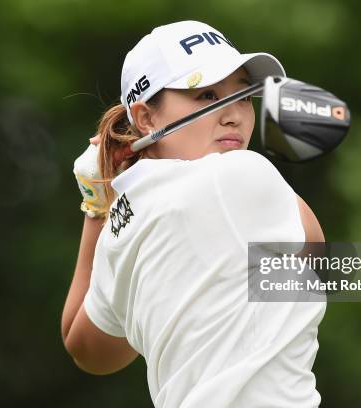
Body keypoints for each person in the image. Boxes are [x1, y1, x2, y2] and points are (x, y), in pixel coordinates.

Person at [61, 20, 326, 408]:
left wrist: (95, 205)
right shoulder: (240, 174)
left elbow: (85, 348)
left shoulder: (121, 224)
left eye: (244, 96)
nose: (235, 115)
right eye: (206, 95)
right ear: (146, 118)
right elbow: (316, 251)